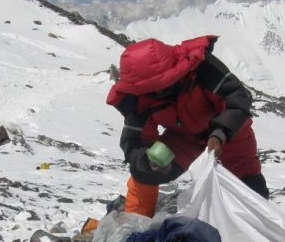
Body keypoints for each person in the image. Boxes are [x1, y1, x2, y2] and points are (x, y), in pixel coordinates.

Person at [106, 35, 269, 218]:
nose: (155, 93)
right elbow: (135, 140)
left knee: (247, 182)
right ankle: (136, 223)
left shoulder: (201, 68)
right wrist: (146, 162)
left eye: (159, 86)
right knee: (143, 174)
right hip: (183, 137)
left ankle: (260, 224)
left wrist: (220, 133)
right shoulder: (141, 97)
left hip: (228, 131)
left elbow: (237, 99)